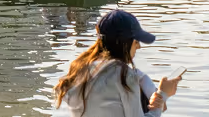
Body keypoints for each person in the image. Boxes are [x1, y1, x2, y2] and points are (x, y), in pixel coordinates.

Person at [54, 8, 182, 116]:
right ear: (125, 44)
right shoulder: (124, 76)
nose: (138, 47)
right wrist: (162, 94)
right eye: (136, 41)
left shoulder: (80, 70)